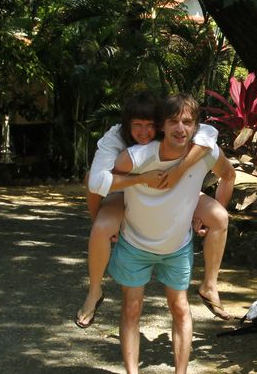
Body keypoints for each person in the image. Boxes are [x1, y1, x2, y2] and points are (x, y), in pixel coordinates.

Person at [108, 93, 236, 374]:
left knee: (180, 309)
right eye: (174, 121)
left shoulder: (205, 153)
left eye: (188, 122)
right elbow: (107, 179)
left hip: (176, 247)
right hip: (135, 244)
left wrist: (205, 211)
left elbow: (229, 175)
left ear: (196, 127)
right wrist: (107, 220)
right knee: (132, 308)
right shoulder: (140, 156)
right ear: (162, 126)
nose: (181, 128)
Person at [74, 92, 233, 328]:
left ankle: (209, 285)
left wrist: (181, 170)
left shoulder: (173, 130)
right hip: (123, 190)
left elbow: (209, 135)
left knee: (219, 217)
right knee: (101, 228)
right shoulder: (115, 139)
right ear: (126, 125)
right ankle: (94, 292)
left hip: (174, 192)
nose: (144, 132)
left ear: (158, 125)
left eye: (150, 126)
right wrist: (138, 180)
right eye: (137, 126)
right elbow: (94, 183)